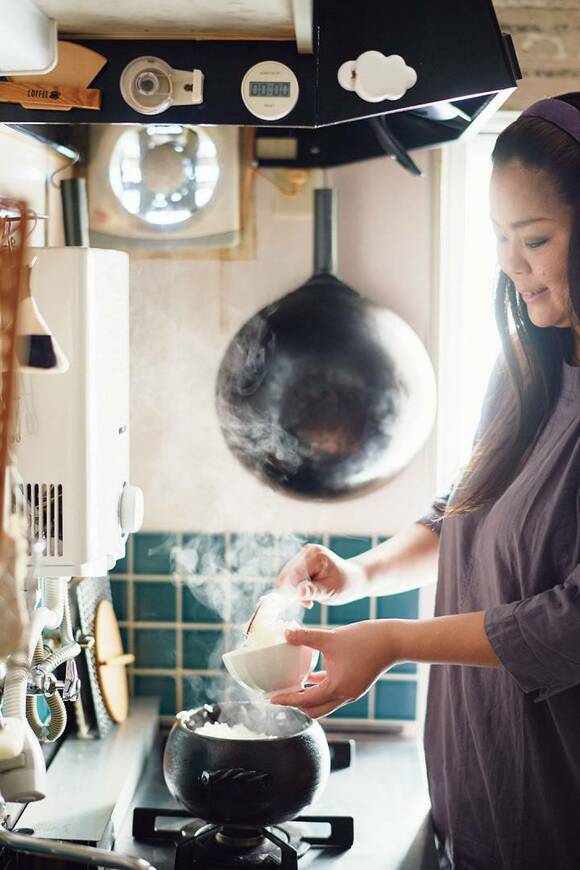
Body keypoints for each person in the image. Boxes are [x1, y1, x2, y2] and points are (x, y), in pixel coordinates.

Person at [272, 93, 580, 870]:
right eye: (499, 238)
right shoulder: (527, 370)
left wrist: (397, 642)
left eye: (535, 238)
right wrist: (359, 576)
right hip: (473, 815)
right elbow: (459, 519)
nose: (512, 265)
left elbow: (571, 624)